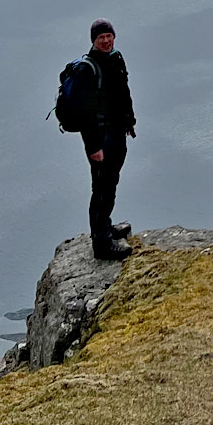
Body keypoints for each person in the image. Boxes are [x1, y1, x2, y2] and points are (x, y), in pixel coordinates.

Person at [76, 19, 137, 260]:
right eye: (100, 37)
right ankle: (101, 245)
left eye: (108, 36)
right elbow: (84, 114)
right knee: (101, 189)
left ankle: (105, 227)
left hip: (117, 132)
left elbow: (123, 93)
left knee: (110, 183)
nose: (105, 40)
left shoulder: (116, 59)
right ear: (93, 40)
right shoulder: (87, 69)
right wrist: (93, 147)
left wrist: (129, 122)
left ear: (114, 36)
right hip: (100, 138)